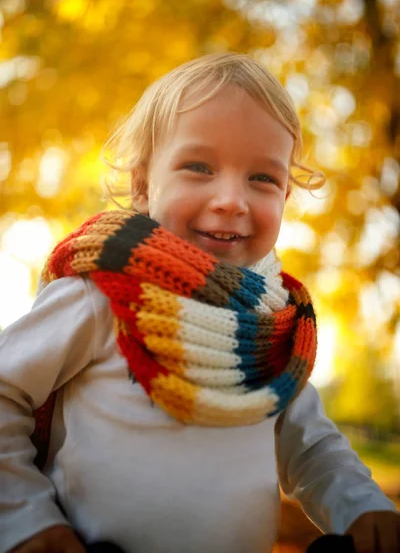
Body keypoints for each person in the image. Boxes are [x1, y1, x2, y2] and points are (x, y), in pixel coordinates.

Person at [0, 53, 398, 553]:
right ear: (143, 186)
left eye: (263, 178)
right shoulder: (104, 295)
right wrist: (26, 520)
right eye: (199, 167)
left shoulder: (271, 327)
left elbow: (313, 449)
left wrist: (363, 505)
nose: (232, 199)